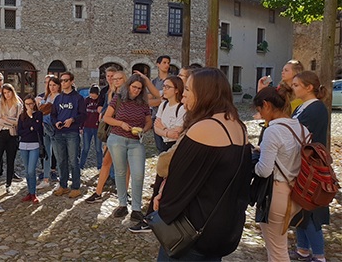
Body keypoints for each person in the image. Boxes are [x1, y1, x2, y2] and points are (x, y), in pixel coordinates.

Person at [153, 68, 252, 261]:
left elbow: (178, 180)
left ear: (204, 93)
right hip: (222, 227)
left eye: (188, 91)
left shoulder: (204, 128)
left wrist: (162, 202)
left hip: (193, 231)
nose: (183, 98)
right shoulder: (238, 126)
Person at [253, 86, 307, 262]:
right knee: (278, 247)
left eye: (260, 110)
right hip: (297, 192)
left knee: (277, 252)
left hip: (276, 194)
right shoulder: (301, 129)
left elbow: (264, 170)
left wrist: (253, 162)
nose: (260, 115)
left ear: (267, 105)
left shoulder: (273, 131)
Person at [132, 76, 185, 232]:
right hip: (165, 145)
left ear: (176, 90)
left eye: (168, 87)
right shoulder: (163, 105)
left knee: (165, 183)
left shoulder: (182, 108)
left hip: (175, 147)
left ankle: (153, 220)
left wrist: (164, 129)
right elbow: (156, 128)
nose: (164, 89)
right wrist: (167, 130)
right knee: (160, 182)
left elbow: (177, 134)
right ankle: (153, 218)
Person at [289, 71, 330, 262]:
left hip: (312, 166)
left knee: (311, 210)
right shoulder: (302, 107)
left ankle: (319, 255)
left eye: (296, 85)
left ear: (309, 87)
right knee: (300, 207)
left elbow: (298, 133)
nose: (293, 88)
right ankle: (303, 249)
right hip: (301, 164)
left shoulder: (316, 108)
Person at [103, 74, 152, 223]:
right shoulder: (118, 98)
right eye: (134, 87)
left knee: (138, 174)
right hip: (117, 138)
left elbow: (149, 121)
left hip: (136, 141)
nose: (136, 90)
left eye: (139, 88)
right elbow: (107, 118)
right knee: (120, 171)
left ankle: (136, 208)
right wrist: (121, 124)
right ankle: (122, 204)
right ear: (129, 86)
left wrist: (143, 129)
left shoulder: (143, 103)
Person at [85, 71, 130, 203]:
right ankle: (98, 192)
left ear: (125, 80)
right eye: (114, 79)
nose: (116, 81)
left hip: (125, 131)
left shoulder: (129, 95)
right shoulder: (111, 94)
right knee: (106, 162)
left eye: (119, 78)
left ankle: (125, 193)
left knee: (125, 164)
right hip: (112, 131)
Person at [51, 71, 86, 198]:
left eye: (66, 80)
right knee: (61, 161)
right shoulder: (58, 98)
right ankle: (63, 186)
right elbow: (53, 115)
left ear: (71, 82)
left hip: (72, 133)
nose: (63, 83)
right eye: (62, 80)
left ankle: (76, 187)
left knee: (73, 161)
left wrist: (73, 120)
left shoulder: (78, 98)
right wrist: (56, 123)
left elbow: (83, 115)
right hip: (59, 133)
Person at [0, 83, 24, 192]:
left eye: (8, 92)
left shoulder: (18, 105)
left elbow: (19, 122)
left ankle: (8, 184)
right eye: (4, 93)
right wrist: (11, 121)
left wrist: (6, 119)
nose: (7, 94)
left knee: (11, 160)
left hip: (12, 135)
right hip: (0, 134)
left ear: (12, 91)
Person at [17, 94, 44, 204]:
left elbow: (37, 128)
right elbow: (20, 132)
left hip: (34, 145)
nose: (29, 106)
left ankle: (33, 192)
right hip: (23, 145)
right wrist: (30, 129)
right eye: (27, 104)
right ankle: (30, 192)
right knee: (27, 172)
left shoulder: (38, 114)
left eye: (31, 104)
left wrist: (31, 117)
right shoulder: (21, 116)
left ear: (34, 104)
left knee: (31, 170)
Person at [37, 76, 61, 188]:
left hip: (54, 128)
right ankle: (46, 179)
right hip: (45, 127)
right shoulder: (46, 96)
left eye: (54, 85)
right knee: (47, 154)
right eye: (50, 85)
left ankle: (62, 181)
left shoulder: (60, 97)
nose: (52, 87)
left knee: (58, 153)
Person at [79, 85, 103, 170]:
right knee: (85, 148)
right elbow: (83, 114)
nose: (92, 97)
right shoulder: (87, 100)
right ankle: (81, 166)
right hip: (87, 127)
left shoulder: (100, 101)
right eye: (91, 94)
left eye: (94, 95)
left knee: (98, 148)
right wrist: (81, 127)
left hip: (97, 128)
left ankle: (100, 166)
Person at [150, 55, 171, 152]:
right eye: (164, 62)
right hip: (157, 117)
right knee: (160, 147)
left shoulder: (173, 80)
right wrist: (163, 100)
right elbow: (148, 101)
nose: (167, 65)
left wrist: (158, 100)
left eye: (168, 63)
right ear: (158, 64)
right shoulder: (154, 83)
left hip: (171, 117)